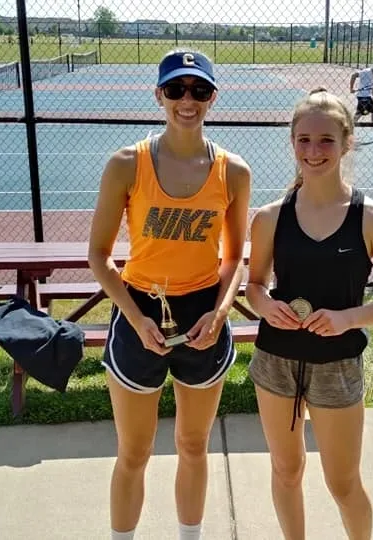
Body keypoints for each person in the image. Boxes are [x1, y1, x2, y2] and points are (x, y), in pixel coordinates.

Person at [87, 49, 252, 540]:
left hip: (203, 313)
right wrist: (135, 318)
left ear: (212, 98)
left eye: (199, 90)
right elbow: (99, 256)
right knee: (133, 453)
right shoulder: (126, 164)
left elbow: (234, 260)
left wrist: (220, 315)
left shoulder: (233, 172)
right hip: (139, 309)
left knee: (193, 445)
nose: (187, 100)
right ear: (159, 95)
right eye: (176, 89)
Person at [244, 87, 373, 540]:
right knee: (286, 470)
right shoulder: (270, 217)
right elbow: (253, 286)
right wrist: (267, 307)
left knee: (342, 483)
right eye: (304, 140)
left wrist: (347, 318)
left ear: (347, 142)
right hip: (275, 361)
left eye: (325, 141)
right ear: (292, 143)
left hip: (337, 367)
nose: (313, 151)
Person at [349, 61, 373, 140]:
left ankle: (348, 131)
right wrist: (351, 88)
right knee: (362, 114)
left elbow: (370, 86)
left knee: (367, 113)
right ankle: (348, 131)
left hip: (367, 96)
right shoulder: (366, 71)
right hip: (363, 96)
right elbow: (354, 75)